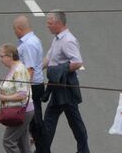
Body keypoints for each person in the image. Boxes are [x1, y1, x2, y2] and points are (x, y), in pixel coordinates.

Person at [41, 10, 90, 153]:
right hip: (57, 86)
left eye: (50, 23)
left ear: (58, 23)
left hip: (66, 87)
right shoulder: (57, 39)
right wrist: (33, 71)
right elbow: (49, 58)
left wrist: (58, 70)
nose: (47, 26)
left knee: (75, 122)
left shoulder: (68, 40)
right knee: (50, 120)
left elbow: (77, 62)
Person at [13, 15, 46, 153]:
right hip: (35, 85)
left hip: (32, 86)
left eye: (14, 29)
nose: (14, 32)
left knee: (35, 122)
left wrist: (24, 90)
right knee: (33, 121)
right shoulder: (33, 40)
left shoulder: (28, 44)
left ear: (19, 29)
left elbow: (29, 69)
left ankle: (43, 149)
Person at [0, 43, 34, 153]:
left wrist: (4, 98)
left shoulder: (19, 70)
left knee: (8, 141)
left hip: (21, 111)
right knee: (23, 144)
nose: (0, 59)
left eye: (2, 56)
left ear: (10, 56)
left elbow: (22, 94)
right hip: (20, 110)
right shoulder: (15, 69)